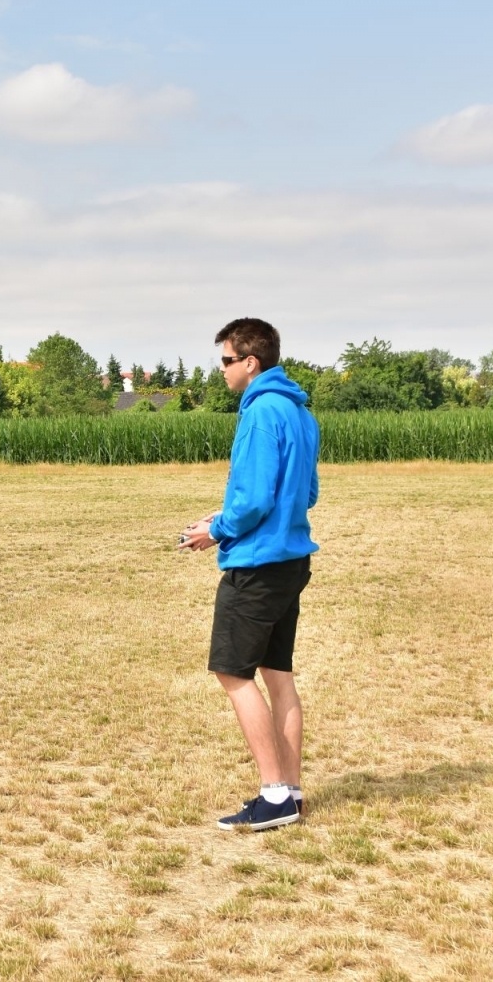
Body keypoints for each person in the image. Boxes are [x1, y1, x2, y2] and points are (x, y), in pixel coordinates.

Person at [179, 317, 320, 832]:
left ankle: (274, 794)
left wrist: (216, 529)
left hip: (257, 567)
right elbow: (306, 494)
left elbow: (256, 498)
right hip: (290, 563)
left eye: (226, 360)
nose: (221, 369)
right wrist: (227, 516)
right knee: (277, 676)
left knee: (233, 673)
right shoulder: (300, 412)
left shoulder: (261, 412)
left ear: (251, 362)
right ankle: (293, 793)